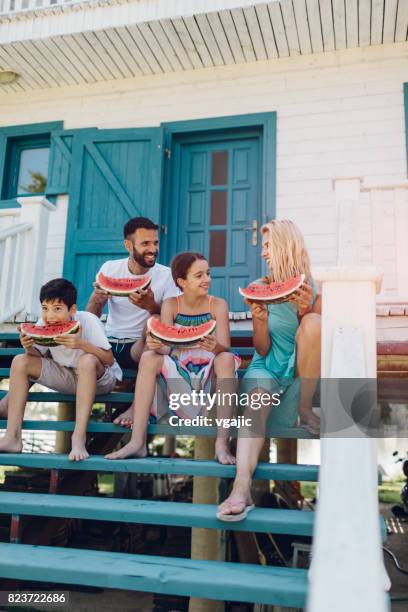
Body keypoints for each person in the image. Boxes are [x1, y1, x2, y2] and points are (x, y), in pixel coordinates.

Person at [217, 219, 321, 520]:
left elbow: (313, 339)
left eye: (267, 246)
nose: (262, 253)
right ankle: (240, 488)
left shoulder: (315, 289)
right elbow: (262, 349)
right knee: (256, 401)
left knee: (315, 322)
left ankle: (305, 408)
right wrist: (259, 319)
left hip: (300, 379)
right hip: (266, 368)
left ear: (285, 245)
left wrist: (304, 310)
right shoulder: (259, 288)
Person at [105, 251, 240, 465]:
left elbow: (225, 346)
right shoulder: (170, 305)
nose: (207, 279)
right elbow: (168, 347)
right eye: (199, 275)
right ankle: (137, 442)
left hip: (208, 371)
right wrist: (157, 345)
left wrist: (215, 346)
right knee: (149, 356)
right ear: (182, 281)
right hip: (178, 369)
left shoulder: (218, 305)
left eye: (208, 273)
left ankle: (221, 445)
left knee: (226, 359)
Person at [0, 278, 122, 461]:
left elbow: (109, 359)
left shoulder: (88, 321)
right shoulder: (43, 323)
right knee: (20, 361)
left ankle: (78, 438)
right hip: (68, 376)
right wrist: (28, 347)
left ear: (72, 310)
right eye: (45, 308)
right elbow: (36, 357)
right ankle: (13, 438)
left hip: (100, 380)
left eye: (57, 309)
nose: (49, 316)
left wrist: (82, 344)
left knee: (87, 360)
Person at [87, 216, 179, 426]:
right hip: (108, 345)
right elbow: (92, 315)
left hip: (139, 348)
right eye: (145, 243)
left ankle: (137, 406)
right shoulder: (109, 269)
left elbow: (169, 320)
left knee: (155, 321)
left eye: (155, 243)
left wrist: (151, 306)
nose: (153, 249)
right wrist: (97, 301)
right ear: (128, 245)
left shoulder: (167, 276)